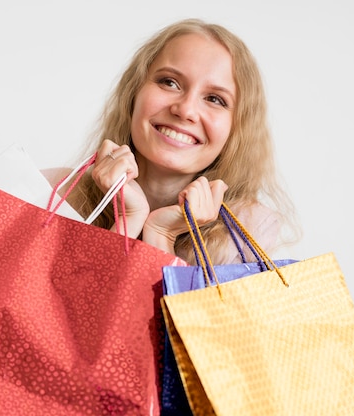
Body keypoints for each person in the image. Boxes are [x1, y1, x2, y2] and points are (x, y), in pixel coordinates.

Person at [43, 18, 299, 265]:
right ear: (134, 93)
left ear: (236, 128)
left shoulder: (246, 231)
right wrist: (127, 221)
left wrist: (161, 235)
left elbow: (167, 312)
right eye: (170, 82)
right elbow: (70, 308)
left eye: (214, 99)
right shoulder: (50, 193)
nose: (185, 110)